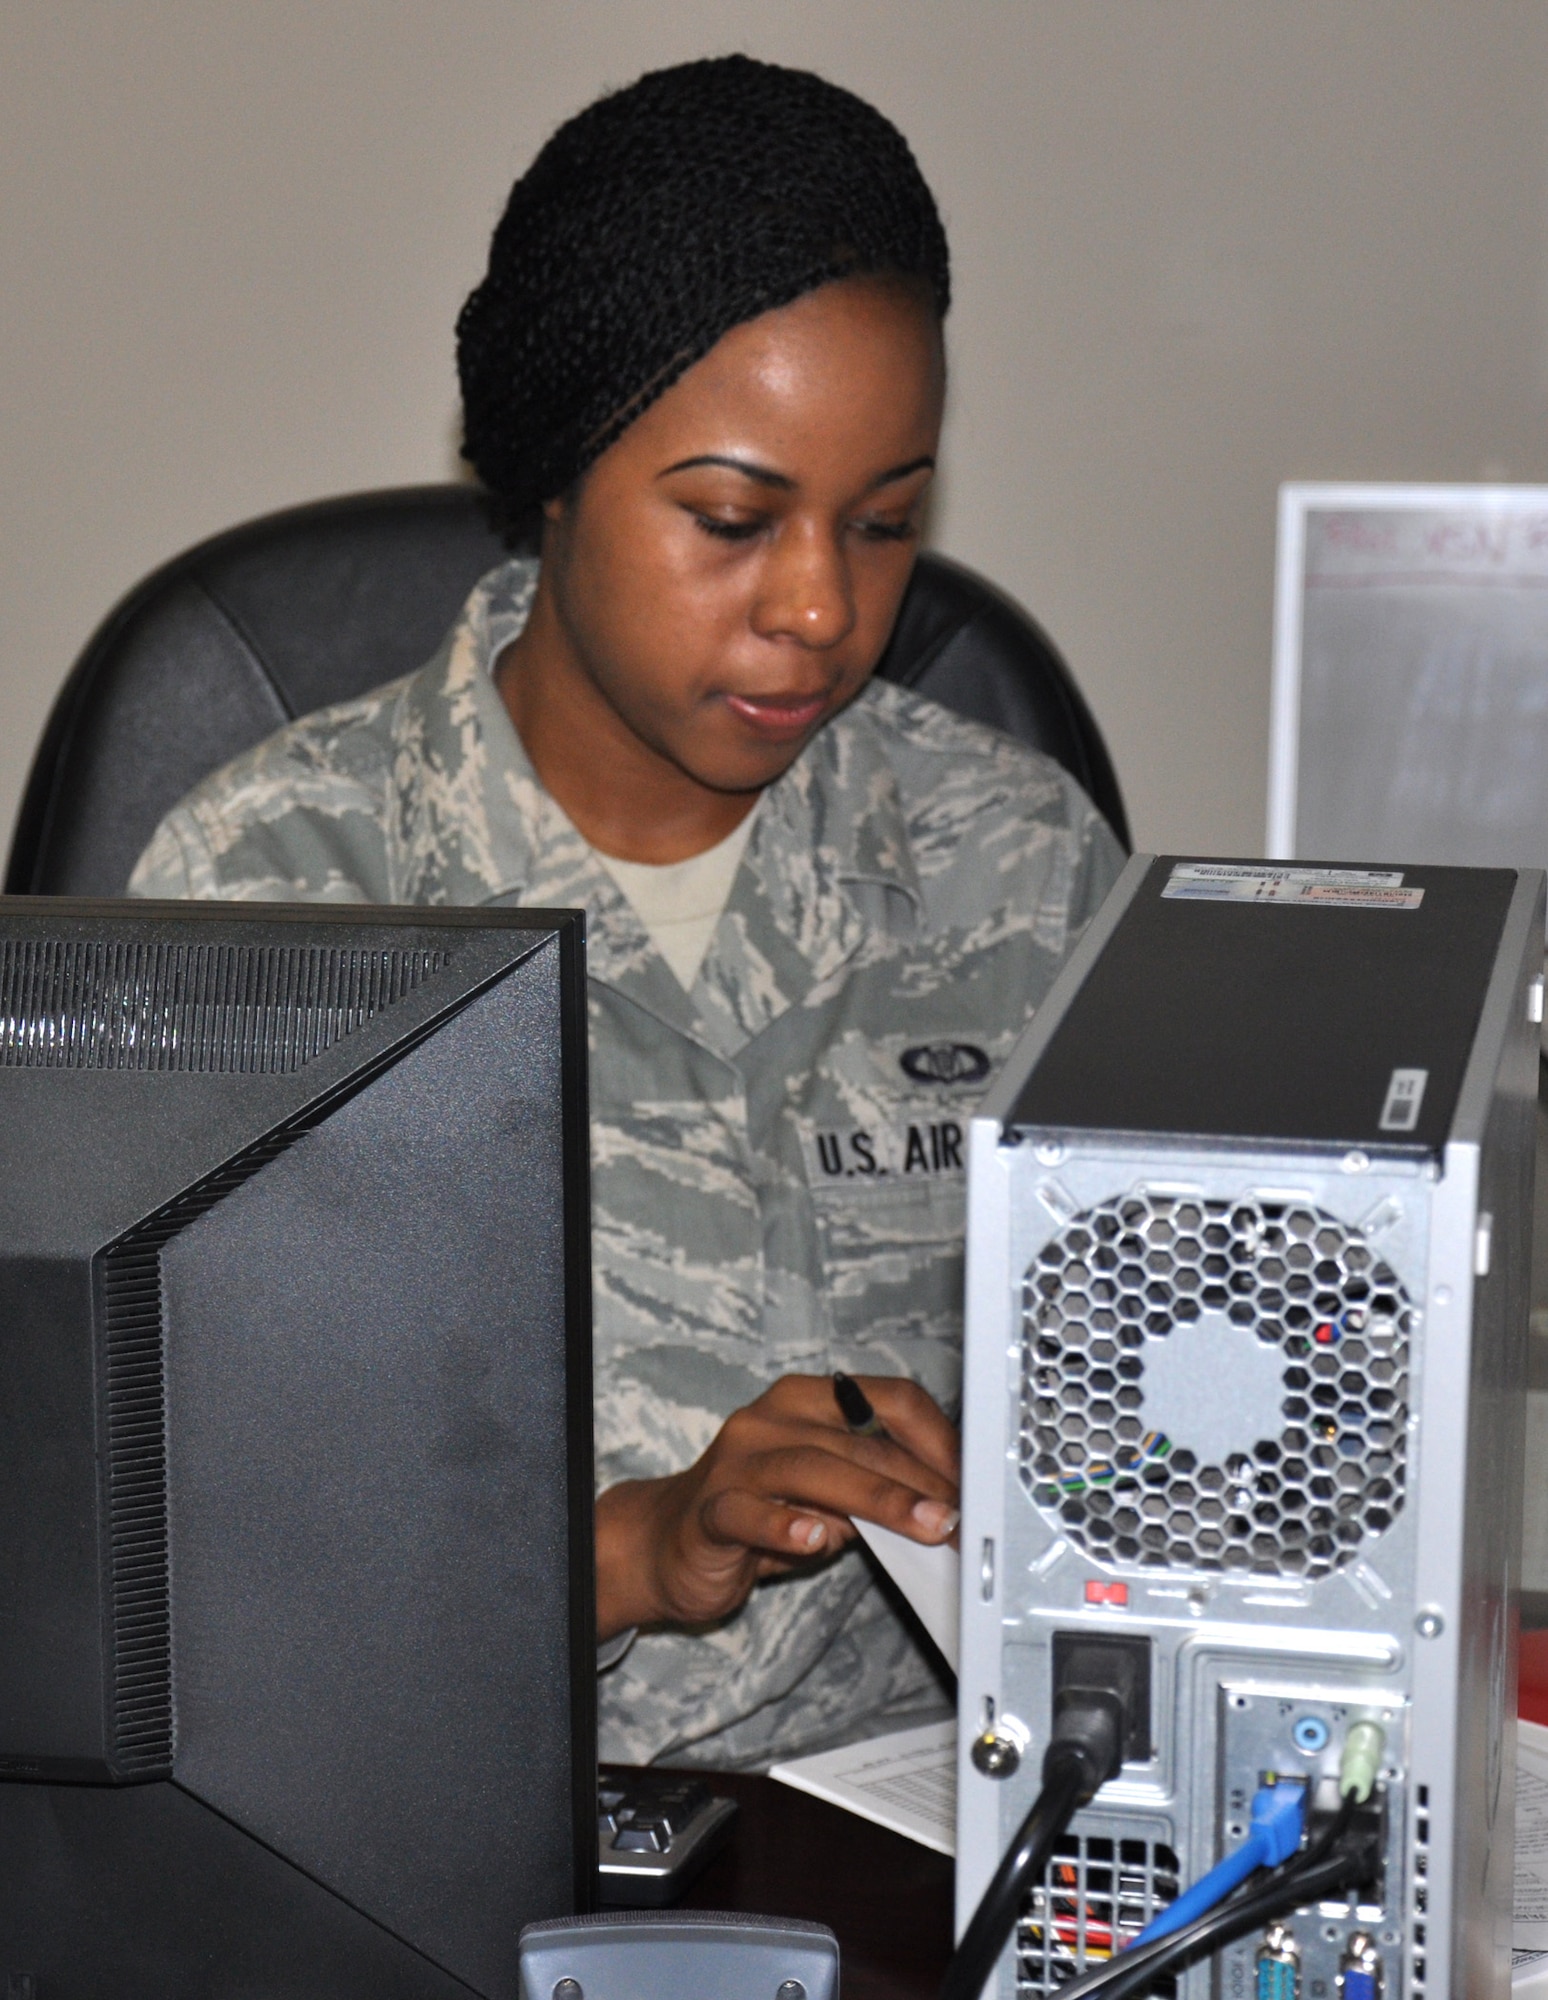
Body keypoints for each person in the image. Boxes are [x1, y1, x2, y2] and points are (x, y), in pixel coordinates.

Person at [130, 54, 1125, 1769]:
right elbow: (171, 1563)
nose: (821, 604)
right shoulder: (277, 897)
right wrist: (639, 1551)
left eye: (885, 522)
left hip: (915, 1846)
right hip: (425, 1841)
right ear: (556, 473)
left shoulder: (1016, 862)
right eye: (734, 521)